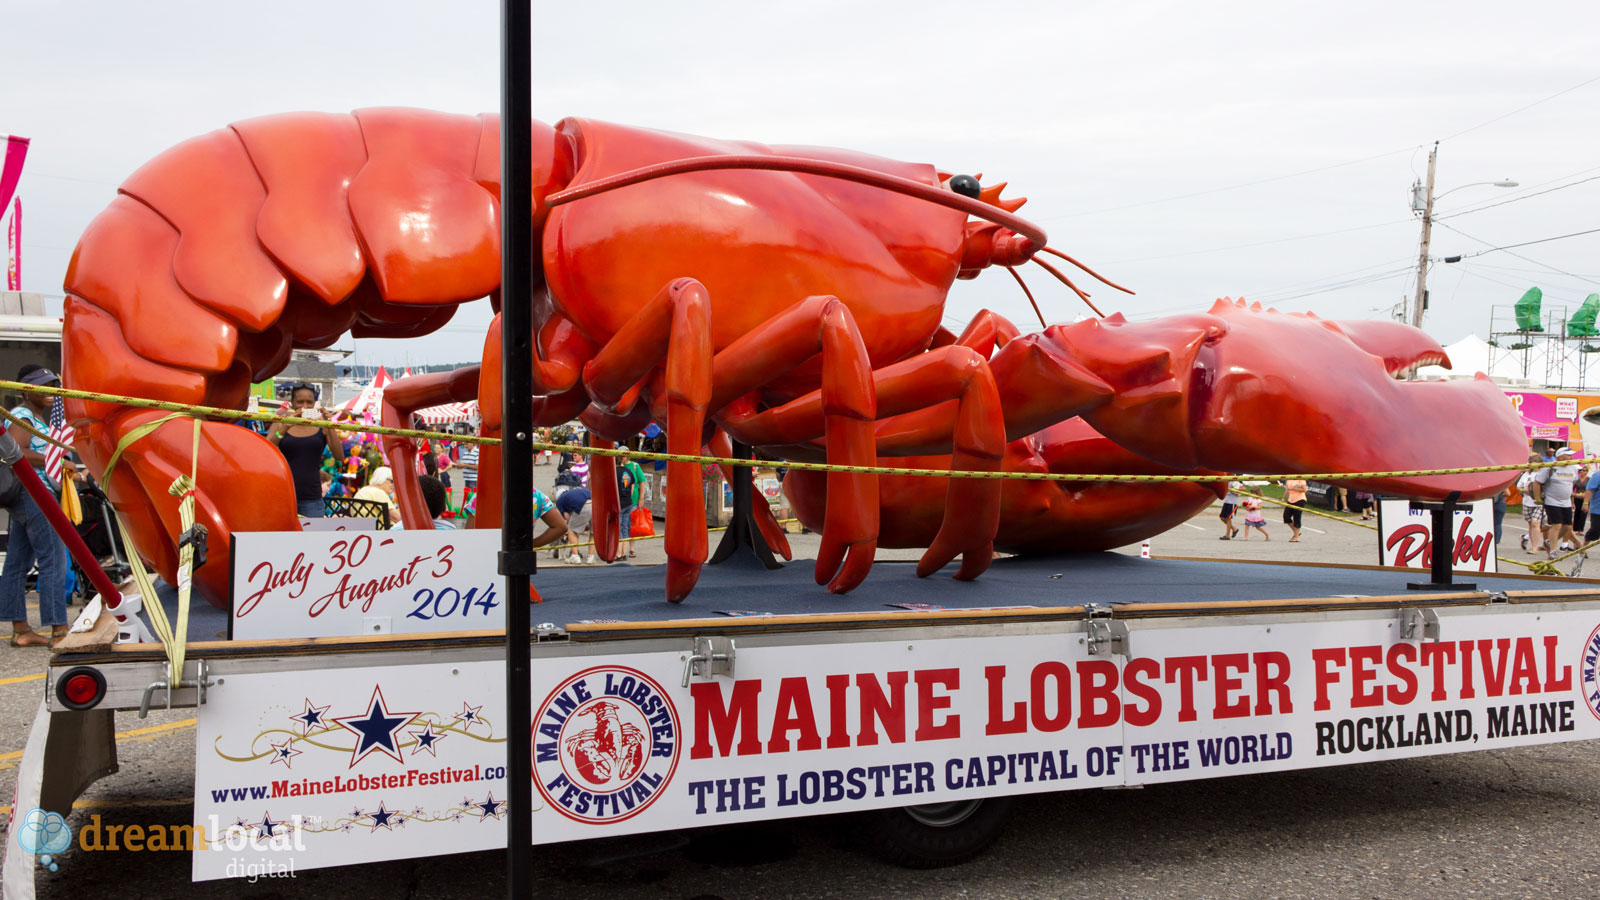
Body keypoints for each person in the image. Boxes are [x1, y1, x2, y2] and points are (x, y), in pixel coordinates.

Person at [1, 365, 72, 647]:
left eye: (53, 384)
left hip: (28, 493)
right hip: (34, 493)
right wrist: (56, 461)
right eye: (42, 386)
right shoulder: (23, 415)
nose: (50, 391)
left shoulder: (33, 416)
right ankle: (59, 632)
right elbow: (17, 454)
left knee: (17, 562)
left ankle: (20, 630)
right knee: (53, 559)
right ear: (26, 390)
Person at [267, 383, 345, 518]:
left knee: (311, 538)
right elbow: (266, 450)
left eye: (309, 402)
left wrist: (329, 425)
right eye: (300, 402)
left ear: (315, 403)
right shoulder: (281, 422)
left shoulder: (321, 425)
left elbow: (339, 456)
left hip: (312, 497)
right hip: (283, 494)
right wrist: (284, 429)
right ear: (292, 403)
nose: (305, 406)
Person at [1536, 447, 1581, 559]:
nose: (1571, 457)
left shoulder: (1574, 467)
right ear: (1560, 457)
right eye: (1569, 455)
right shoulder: (1550, 467)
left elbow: (1572, 483)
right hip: (1552, 500)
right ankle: (1553, 550)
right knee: (1556, 524)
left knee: (1567, 527)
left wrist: (1571, 500)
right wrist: (1537, 498)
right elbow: (1537, 482)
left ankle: (1550, 542)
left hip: (1565, 502)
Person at [618, 451, 646, 559]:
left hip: (633, 500)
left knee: (632, 525)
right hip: (624, 500)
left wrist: (641, 498)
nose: (622, 458)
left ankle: (631, 548)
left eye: (624, 455)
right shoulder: (618, 466)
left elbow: (642, 482)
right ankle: (622, 550)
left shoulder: (634, 466)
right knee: (624, 525)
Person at [555, 486, 593, 564]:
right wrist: (584, 524)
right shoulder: (575, 492)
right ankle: (591, 557)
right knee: (593, 532)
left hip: (583, 505)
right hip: (596, 503)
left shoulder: (560, 501)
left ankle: (575, 556)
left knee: (572, 530)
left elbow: (567, 518)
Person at [1519, 453, 1548, 553]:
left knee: (1536, 523)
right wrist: (1524, 491)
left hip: (1539, 503)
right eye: (1531, 463)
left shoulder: (1543, 474)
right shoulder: (1526, 475)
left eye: (1534, 463)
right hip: (1527, 502)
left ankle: (1535, 547)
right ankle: (1531, 544)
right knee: (1531, 524)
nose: (1532, 465)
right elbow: (1519, 487)